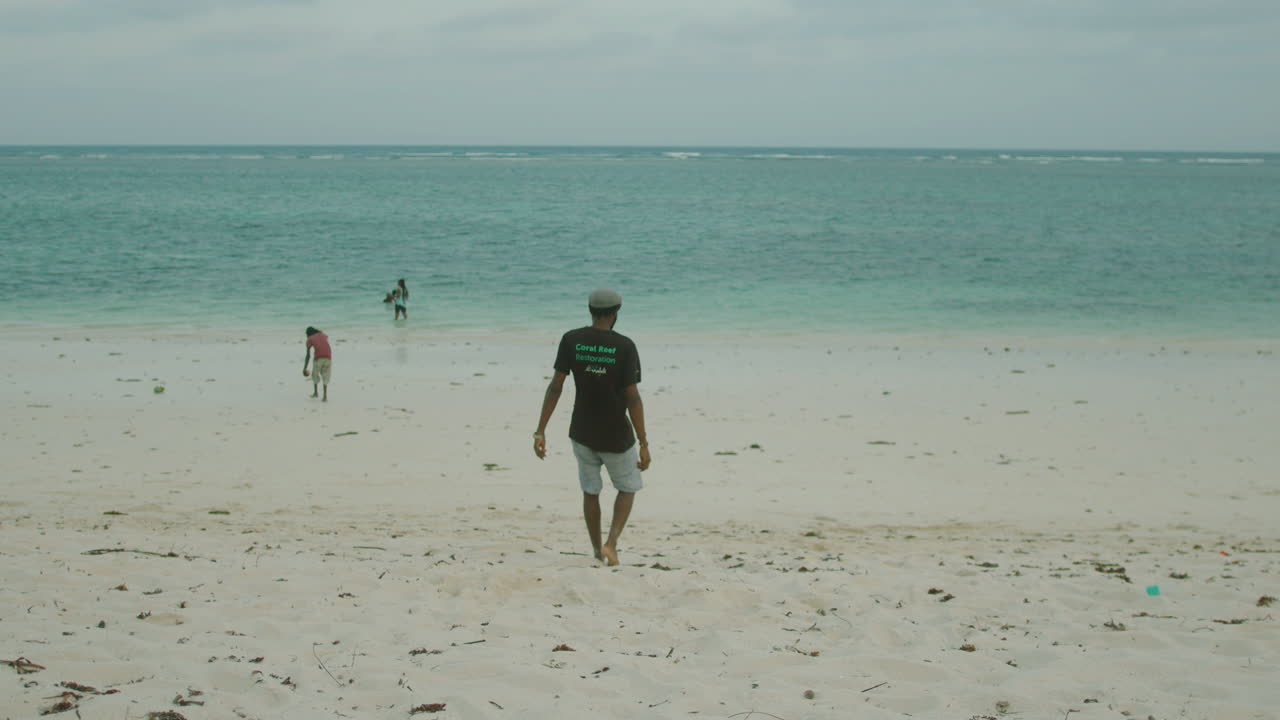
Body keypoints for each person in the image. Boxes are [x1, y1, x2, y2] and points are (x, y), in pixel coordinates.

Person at [534, 288, 650, 566]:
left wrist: (540, 430)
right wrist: (643, 442)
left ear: (590, 310)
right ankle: (611, 543)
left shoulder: (572, 340)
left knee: (590, 491)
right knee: (627, 487)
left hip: (582, 432)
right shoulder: (624, 346)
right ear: (615, 313)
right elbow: (632, 396)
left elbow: (555, 387)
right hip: (616, 435)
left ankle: (598, 550)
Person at [303, 326, 332, 401]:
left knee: (315, 375)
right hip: (328, 356)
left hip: (318, 357)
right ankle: (325, 396)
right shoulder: (323, 334)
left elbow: (308, 355)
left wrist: (305, 368)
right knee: (325, 376)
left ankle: (316, 393)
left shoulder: (310, 339)